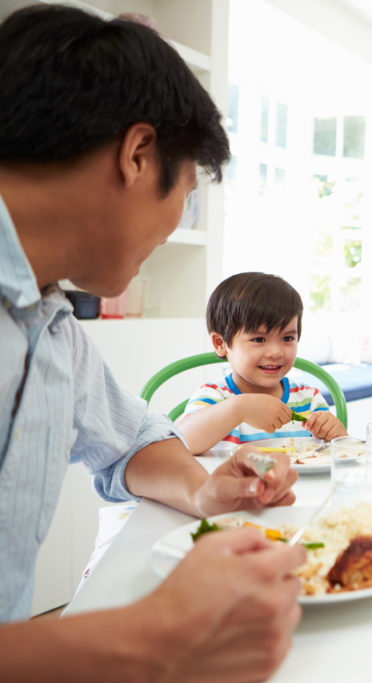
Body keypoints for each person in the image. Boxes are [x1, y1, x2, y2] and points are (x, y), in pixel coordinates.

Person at [0, 6, 303, 679]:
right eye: (187, 194)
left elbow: (133, 441)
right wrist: (153, 632)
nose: (175, 226)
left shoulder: (49, 324)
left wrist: (203, 493)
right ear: (137, 156)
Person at [177, 272, 347, 453]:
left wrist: (337, 436)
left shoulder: (308, 399)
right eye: (259, 339)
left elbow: (337, 453)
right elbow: (183, 443)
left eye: (287, 338)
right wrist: (239, 408)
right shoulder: (214, 397)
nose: (275, 352)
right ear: (221, 344)